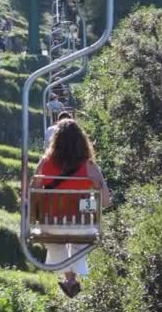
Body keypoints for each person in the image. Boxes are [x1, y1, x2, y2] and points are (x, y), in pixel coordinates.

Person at [32, 120, 110, 298]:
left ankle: (69, 279)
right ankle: (71, 279)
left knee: (55, 241)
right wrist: (89, 201)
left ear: (56, 140)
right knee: (79, 241)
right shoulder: (90, 167)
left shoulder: (45, 163)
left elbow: (32, 194)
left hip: (50, 223)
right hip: (80, 225)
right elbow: (105, 201)